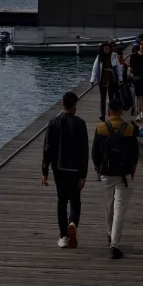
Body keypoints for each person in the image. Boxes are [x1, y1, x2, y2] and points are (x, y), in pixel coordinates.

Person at [92, 92, 140, 258]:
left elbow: (95, 153)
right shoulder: (129, 129)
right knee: (120, 210)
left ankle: (108, 232)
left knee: (108, 208)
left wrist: (98, 169)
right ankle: (114, 244)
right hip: (124, 175)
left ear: (109, 111)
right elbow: (135, 153)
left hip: (105, 172)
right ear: (121, 111)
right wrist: (132, 171)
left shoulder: (100, 128)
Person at [41, 90, 89, 248]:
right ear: (75, 105)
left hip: (59, 168)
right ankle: (73, 223)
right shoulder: (80, 123)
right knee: (75, 200)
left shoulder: (53, 122)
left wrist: (45, 171)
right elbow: (84, 150)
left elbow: (47, 148)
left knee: (62, 201)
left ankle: (63, 236)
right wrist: (83, 174)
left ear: (63, 104)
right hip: (75, 169)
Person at [91, 41, 123, 121]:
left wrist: (120, 79)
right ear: (102, 49)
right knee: (103, 98)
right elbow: (95, 69)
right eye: (105, 49)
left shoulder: (114, 56)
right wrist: (92, 80)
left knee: (111, 97)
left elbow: (118, 68)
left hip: (112, 79)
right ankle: (102, 114)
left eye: (108, 48)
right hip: (102, 79)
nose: (107, 50)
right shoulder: (99, 57)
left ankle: (111, 113)